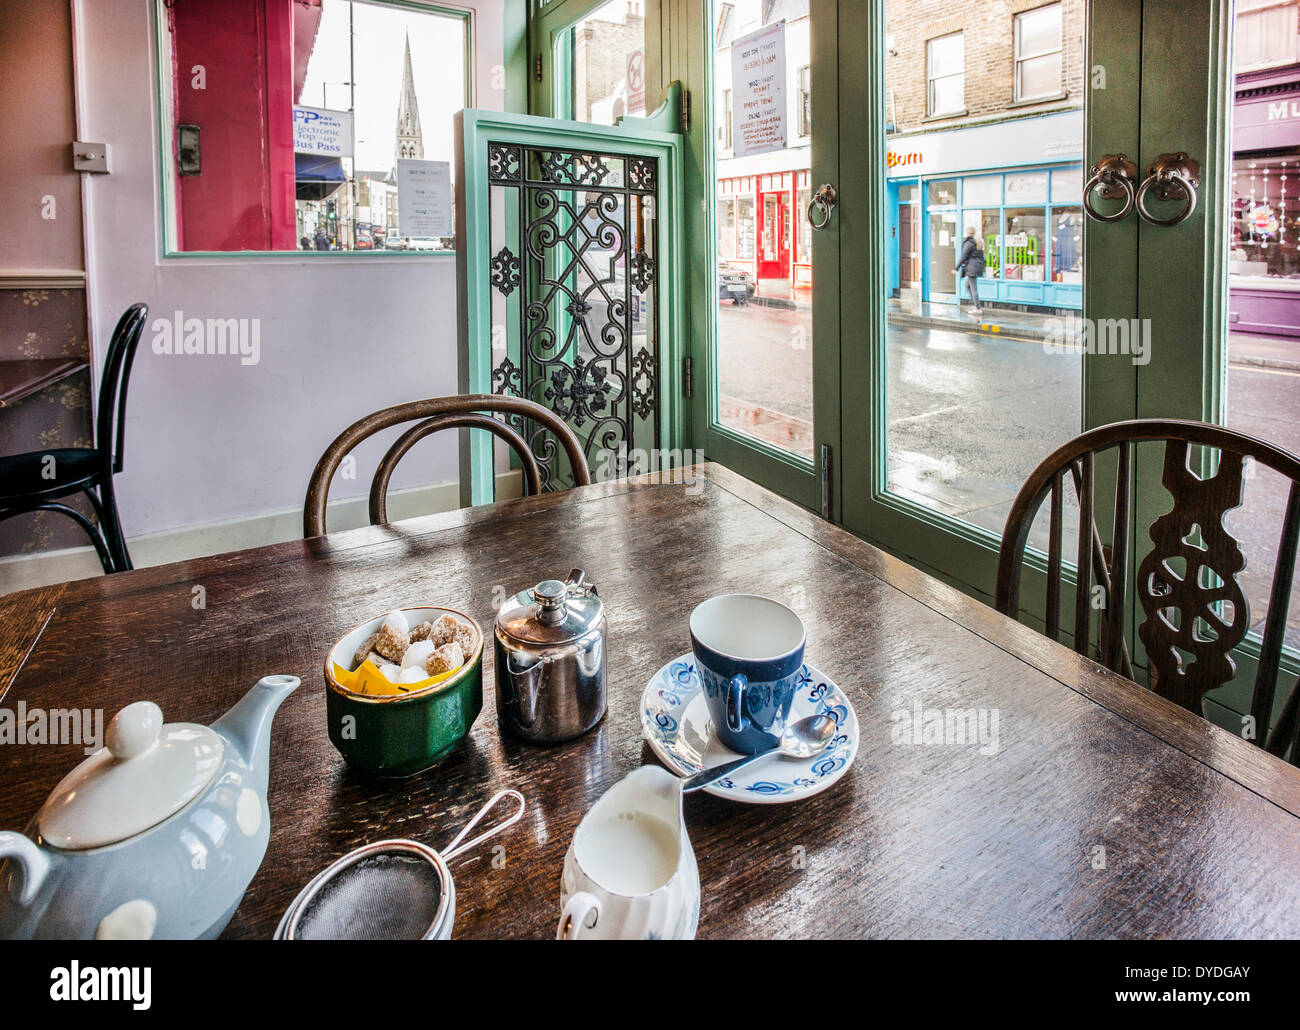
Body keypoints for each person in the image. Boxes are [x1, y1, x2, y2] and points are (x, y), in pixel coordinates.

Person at [955, 228, 984, 317]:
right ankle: (975, 305)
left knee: (973, 288)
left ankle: (978, 308)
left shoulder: (969, 243)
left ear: (967, 233)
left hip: (972, 267)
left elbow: (964, 256)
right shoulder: (977, 242)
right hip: (977, 266)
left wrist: (956, 268)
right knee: (967, 286)